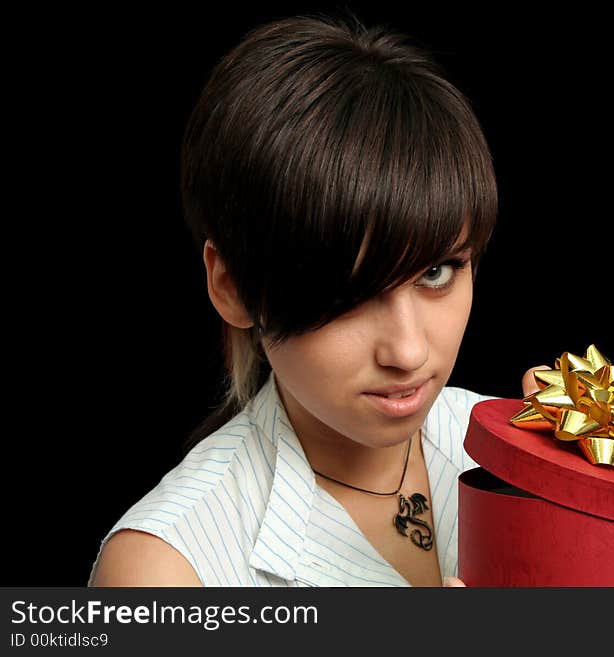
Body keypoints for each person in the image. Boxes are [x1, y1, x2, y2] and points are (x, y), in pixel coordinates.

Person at [87, 11, 526, 588]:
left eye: (437, 272)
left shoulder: (518, 452)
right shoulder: (166, 572)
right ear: (232, 286)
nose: (409, 350)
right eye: (350, 292)